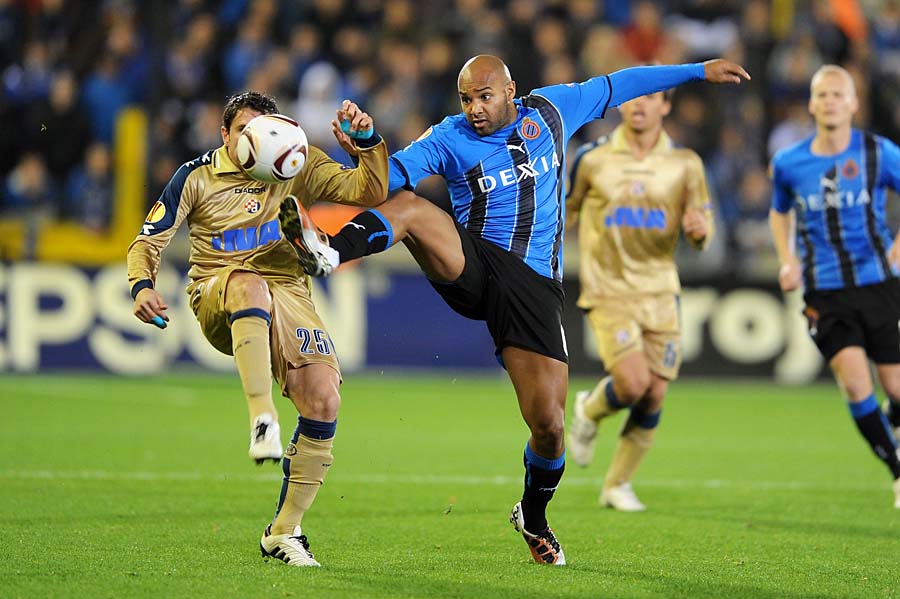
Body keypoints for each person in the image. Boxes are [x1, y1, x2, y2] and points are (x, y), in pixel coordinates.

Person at [280, 55, 749, 564]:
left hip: (534, 287)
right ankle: (329, 250)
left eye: (484, 97)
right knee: (412, 209)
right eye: (466, 99)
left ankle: (533, 514)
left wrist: (698, 71)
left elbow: (623, 83)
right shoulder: (449, 136)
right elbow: (384, 181)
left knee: (549, 426)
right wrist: (369, 146)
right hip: (475, 264)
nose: (475, 109)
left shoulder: (552, 110)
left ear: (510, 90)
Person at [127, 91, 389, 566]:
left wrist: (367, 143)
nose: (262, 141)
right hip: (219, 290)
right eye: (247, 132)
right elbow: (149, 240)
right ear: (225, 135)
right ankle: (262, 416)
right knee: (249, 283)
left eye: (268, 130)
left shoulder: (296, 161)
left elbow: (368, 192)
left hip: (288, 289)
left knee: (323, 397)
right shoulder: (196, 176)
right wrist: (141, 284)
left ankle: (284, 532)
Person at [565, 88, 713, 512]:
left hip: (661, 289)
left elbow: (702, 231)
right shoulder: (592, 158)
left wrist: (699, 232)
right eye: (633, 96)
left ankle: (617, 485)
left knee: (654, 394)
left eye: (651, 97)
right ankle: (589, 410)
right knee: (632, 383)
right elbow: (566, 212)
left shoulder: (685, 163)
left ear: (665, 105)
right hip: (609, 287)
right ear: (622, 104)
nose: (640, 104)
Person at [769, 64, 900, 509]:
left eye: (838, 94)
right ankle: (898, 470)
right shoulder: (789, 162)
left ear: (853, 103)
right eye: (822, 94)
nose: (830, 102)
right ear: (811, 103)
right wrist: (788, 259)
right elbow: (779, 211)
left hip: (879, 283)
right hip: (824, 291)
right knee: (856, 384)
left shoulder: (878, 152)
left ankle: (893, 417)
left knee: (895, 387)